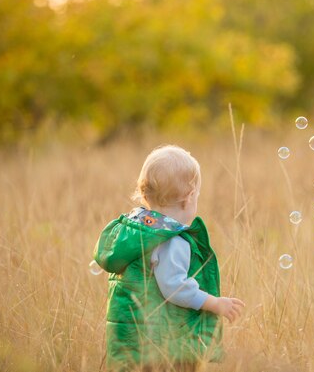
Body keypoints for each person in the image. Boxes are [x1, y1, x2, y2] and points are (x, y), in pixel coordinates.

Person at [94, 145, 245, 372]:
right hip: (162, 345)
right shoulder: (173, 240)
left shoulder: (137, 232)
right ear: (189, 198)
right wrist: (214, 303)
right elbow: (174, 287)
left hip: (131, 342)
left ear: (145, 195)